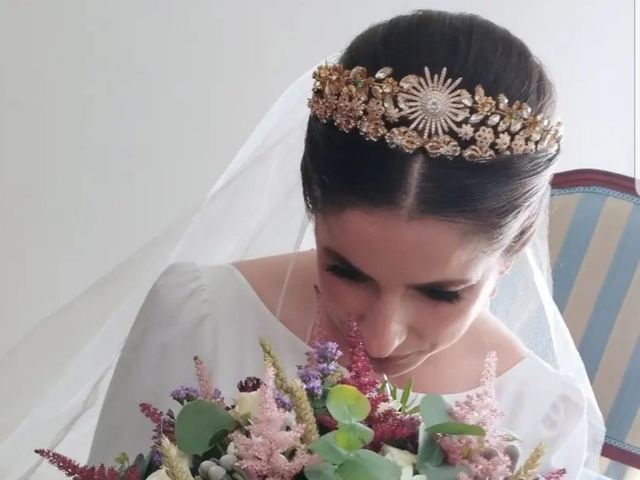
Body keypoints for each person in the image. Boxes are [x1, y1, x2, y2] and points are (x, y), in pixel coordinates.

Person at [87, 10, 604, 479]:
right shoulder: (199, 313)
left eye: (442, 294)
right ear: (312, 209)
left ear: (511, 255)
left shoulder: (544, 413)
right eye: (346, 271)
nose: (379, 340)